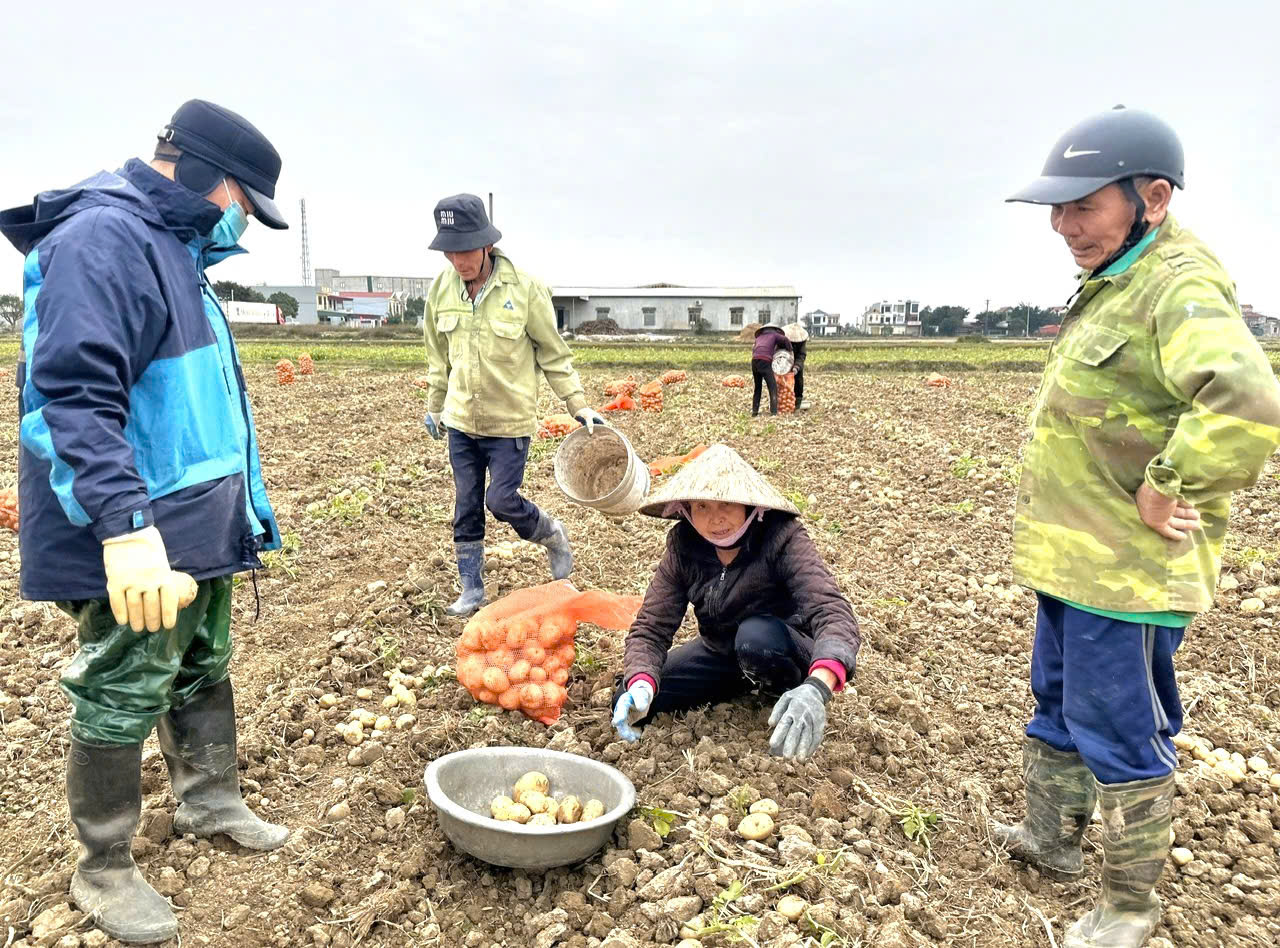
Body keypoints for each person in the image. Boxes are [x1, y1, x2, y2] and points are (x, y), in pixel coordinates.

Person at [0, 100, 292, 944]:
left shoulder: (173, 248)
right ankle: (103, 866)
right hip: (133, 529)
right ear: (202, 173)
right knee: (125, 681)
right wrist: (125, 532)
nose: (243, 223)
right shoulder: (103, 240)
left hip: (194, 518)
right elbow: (73, 399)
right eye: (243, 201)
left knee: (201, 660)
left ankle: (210, 802)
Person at [997, 106, 1280, 948]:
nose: (1063, 224)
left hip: (1125, 572)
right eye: (1058, 207)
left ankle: (1128, 907)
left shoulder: (1178, 283)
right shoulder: (1121, 274)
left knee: (1121, 726)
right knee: (1057, 703)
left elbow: (1247, 400)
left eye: (1083, 204)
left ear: (1151, 198)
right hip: (1072, 556)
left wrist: (1170, 483)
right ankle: (1049, 842)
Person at [422, 194, 606, 618]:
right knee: (466, 504)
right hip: (462, 421)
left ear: (486, 244)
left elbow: (553, 354)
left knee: (501, 500)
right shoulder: (442, 289)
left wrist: (578, 405)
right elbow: (437, 355)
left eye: (466, 249)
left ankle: (551, 533)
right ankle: (471, 588)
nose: (458, 260)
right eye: (450, 251)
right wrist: (435, 406)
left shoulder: (524, 289)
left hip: (509, 424)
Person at [611, 445, 859, 759]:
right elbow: (651, 628)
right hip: (721, 650)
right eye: (702, 506)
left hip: (781, 647)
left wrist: (818, 687)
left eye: (727, 504)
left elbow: (831, 611)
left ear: (748, 505)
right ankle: (740, 683)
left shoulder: (782, 537)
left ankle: (786, 691)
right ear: (686, 510)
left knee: (755, 637)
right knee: (631, 695)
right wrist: (642, 682)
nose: (716, 519)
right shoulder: (683, 546)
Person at [750, 324, 793, 416]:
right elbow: (785, 340)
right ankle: (773, 412)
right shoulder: (775, 335)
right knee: (772, 386)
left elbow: (754, 349)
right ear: (775, 330)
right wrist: (790, 350)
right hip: (765, 361)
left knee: (758, 387)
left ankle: (754, 411)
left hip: (754, 361)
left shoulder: (759, 338)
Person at [783, 322, 810, 410]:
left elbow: (801, 355)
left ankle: (797, 402)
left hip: (796, 361)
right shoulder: (783, 339)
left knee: (798, 380)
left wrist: (796, 367)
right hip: (785, 360)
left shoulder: (802, 342)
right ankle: (782, 400)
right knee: (782, 381)